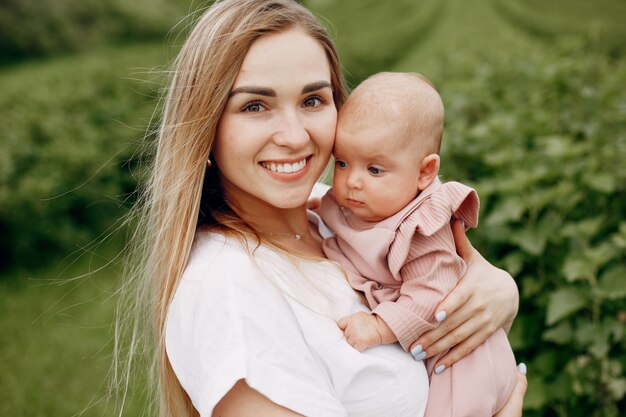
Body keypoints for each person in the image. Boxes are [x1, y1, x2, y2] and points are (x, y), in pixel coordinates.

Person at [118, 0, 527, 416]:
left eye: (313, 100)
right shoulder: (226, 293)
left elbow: (460, 275)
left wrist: (500, 289)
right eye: (255, 106)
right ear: (205, 130)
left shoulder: (336, 212)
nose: (295, 137)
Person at [318, 72, 517, 416]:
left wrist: (380, 326)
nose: (352, 181)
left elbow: (431, 293)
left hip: (462, 363)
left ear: (425, 172)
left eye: (375, 170)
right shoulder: (358, 205)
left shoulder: (423, 227)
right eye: (342, 163)